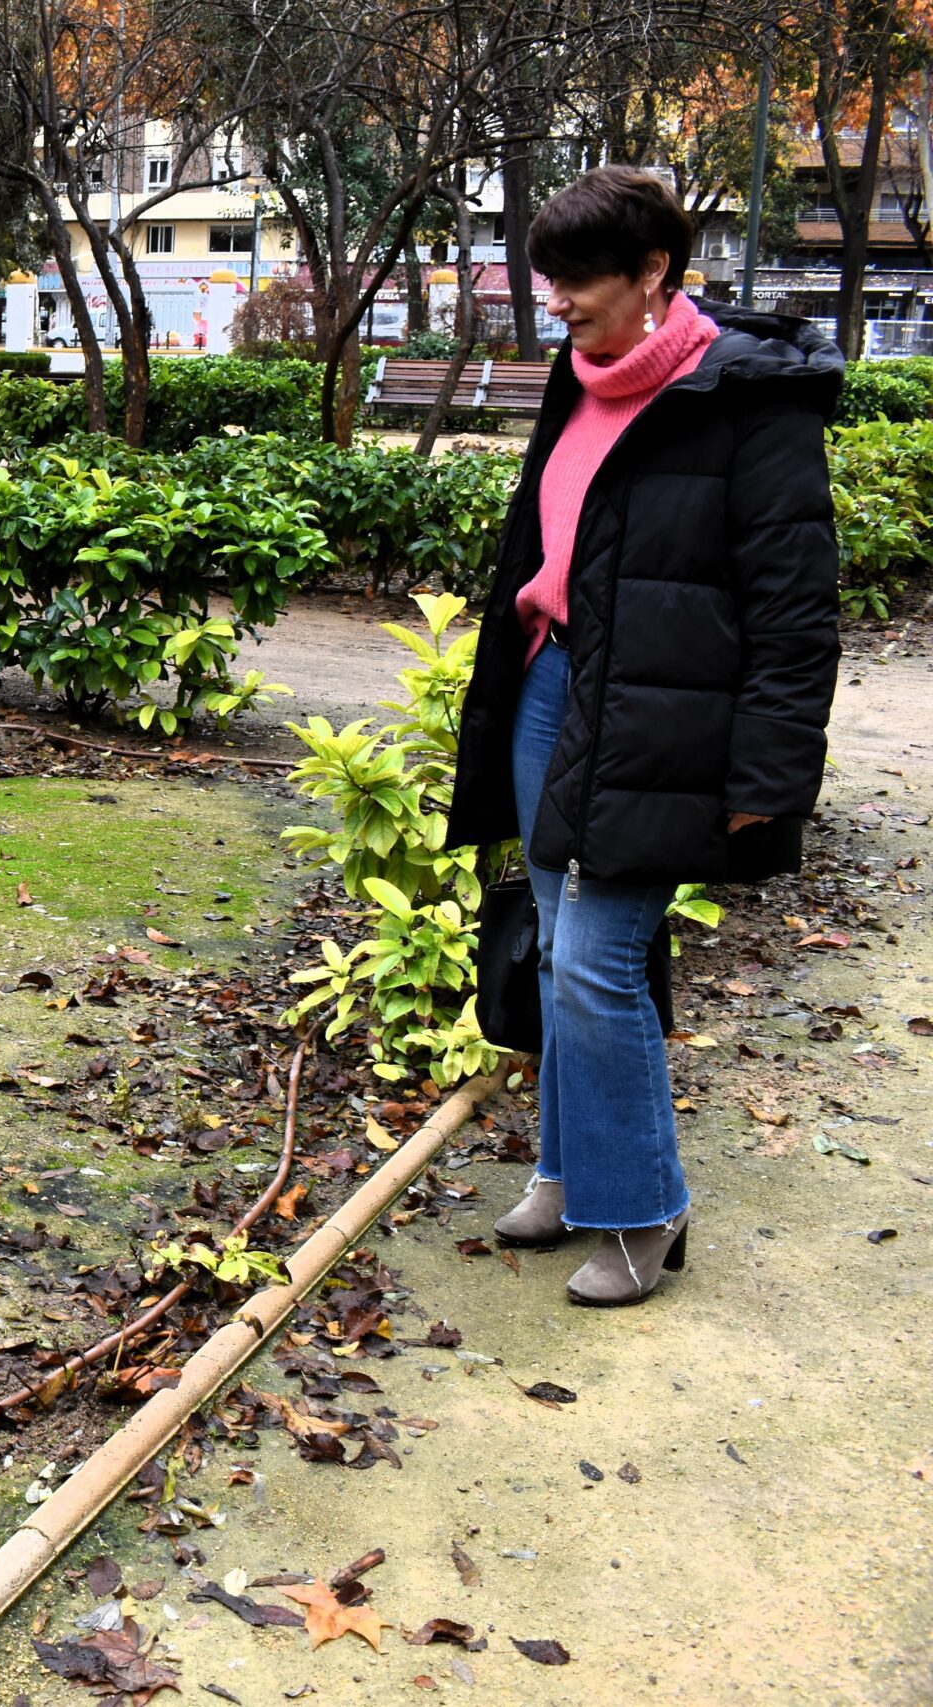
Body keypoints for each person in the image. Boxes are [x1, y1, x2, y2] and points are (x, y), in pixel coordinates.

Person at [447, 166, 841, 1307]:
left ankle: (643, 1211)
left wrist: (770, 774)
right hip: (549, 685)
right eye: (549, 278)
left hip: (663, 716)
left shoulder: (748, 402)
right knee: (553, 937)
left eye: (579, 281)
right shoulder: (580, 379)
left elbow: (793, 607)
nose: (556, 302)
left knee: (597, 960)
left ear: (654, 271)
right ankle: (570, 1175)